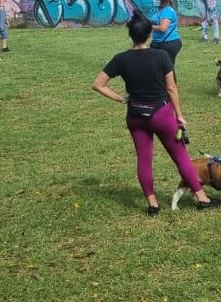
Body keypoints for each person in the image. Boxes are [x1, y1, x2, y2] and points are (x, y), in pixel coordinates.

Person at [91, 12, 213, 216]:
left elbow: (98, 85)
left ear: (131, 35)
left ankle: (152, 203)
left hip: (136, 115)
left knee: (144, 159)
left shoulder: (121, 59)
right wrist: (179, 115)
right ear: (149, 34)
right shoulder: (161, 56)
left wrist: (121, 99)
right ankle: (201, 197)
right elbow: (172, 89)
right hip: (162, 114)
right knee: (180, 155)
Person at [148, 0, 182, 75]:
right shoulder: (161, 10)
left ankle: (171, 87)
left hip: (168, 43)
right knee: (156, 67)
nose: (154, 1)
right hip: (158, 42)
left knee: (167, 68)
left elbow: (163, 28)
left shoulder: (167, 11)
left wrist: (148, 26)